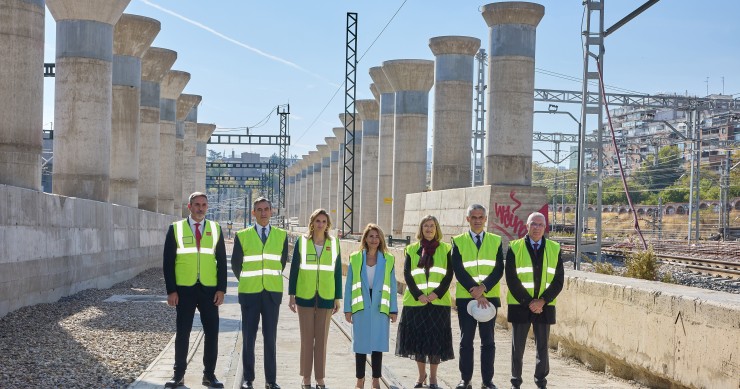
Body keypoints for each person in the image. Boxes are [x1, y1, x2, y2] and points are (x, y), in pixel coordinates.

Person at [162, 192, 227, 388]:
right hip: (184, 290)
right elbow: (168, 262)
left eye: (204, 205)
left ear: (208, 207)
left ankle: (209, 375)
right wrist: (171, 290)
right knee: (183, 333)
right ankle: (178, 375)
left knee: (212, 333)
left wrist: (221, 289)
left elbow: (222, 262)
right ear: (189, 207)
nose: (200, 208)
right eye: (197, 204)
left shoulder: (215, 229)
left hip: (209, 290)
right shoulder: (176, 228)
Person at [231, 197, 289, 389]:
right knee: (249, 337)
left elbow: (281, 263)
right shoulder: (242, 235)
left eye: (266, 209)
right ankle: (248, 379)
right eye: (259, 209)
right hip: (250, 293)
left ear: (271, 211)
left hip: (271, 294)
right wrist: (250, 281)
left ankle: (271, 381)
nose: (263, 213)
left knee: (270, 338)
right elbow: (236, 265)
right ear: (253, 213)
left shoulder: (281, 235)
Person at [505, 212, 564, 389]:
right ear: (527, 226)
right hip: (520, 304)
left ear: (545, 227)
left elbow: (558, 280)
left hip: (544, 306)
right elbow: (512, 278)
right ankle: (516, 381)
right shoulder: (515, 247)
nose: (536, 228)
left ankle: (541, 381)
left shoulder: (554, 248)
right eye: (533, 224)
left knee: (543, 347)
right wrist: (529, 302)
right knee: (518, 347)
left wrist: (542, 301)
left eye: (540, 224)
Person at [395, 215, 454, 389]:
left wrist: (436, 293)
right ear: (420, 229)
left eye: (432, 226)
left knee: (435, 341)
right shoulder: (412, 249)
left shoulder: (446, 249)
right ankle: (421, 376)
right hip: (416, 302)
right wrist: (418, 294)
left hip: (438, 302)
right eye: (426, 226)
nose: (429, 229)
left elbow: (449, 275)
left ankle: (434, 378)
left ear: (437, 229)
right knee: (418, 341)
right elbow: (407, 274)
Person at [451, 204, 505, 389]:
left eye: (480, 217)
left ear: (485, 219)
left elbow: (499, 269)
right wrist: (475, 291)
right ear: (468, 219)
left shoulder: (496, 240)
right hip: (467, 297)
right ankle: (465, 380)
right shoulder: (458, 241)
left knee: (488, 341)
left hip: (489, 298)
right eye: (473, 217)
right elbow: (458, 269)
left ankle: (487, 381)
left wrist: (483, 288)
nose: (477, 220)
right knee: (466, 340)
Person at [288, 209, 342, 389]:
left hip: (326, 297)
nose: (321, 224)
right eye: (318, 221)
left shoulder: (334, 244)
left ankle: (320, 378)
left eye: (324, 221)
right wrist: (291, 295)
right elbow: (294, 269)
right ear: (312, 223)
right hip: (305, 296)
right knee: (306, 339)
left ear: (328, 224)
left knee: (321, 341)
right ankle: (306, 378)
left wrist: (337, 298)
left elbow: (337, 272)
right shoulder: (301, 243)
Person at [344, 224, 398, 389]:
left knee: (377, 344)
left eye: (377, 236)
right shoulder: (355, 258)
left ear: (381, 239)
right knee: (360, 345)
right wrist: (348, 308)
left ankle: (376, 378)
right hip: (361, 306)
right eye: (371, 236)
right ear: (365, 239)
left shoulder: (388, 259)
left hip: (380, 307)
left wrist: (393, 309)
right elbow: (349, 285)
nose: (374, 240)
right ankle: (360, 379)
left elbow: (393, 286)